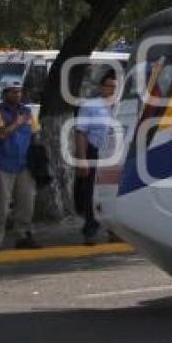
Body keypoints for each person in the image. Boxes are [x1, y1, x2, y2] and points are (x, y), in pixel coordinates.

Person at [0, 81, 42, 250]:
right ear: (5, 94)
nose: (17, 95)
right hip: (3, 163)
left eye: (19, 92)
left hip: (24, 164)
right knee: (1, 205)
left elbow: (35, 134)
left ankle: (23, 235)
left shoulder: (26, 111)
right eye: (13, 92)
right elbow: (1, 135)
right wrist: (17, 123)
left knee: (26, 203)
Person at [74, 70, 118, 244]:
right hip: (95, 152)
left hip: (115, 155)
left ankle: (114, 230)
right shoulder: (91, 106)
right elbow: (81, 133)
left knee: (113, 193)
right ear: (102, 87)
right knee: (91, 193)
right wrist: (82, 159)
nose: (112, 90)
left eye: (115, 87)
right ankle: (90, 230)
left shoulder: (122, 105)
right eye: (109, 86)